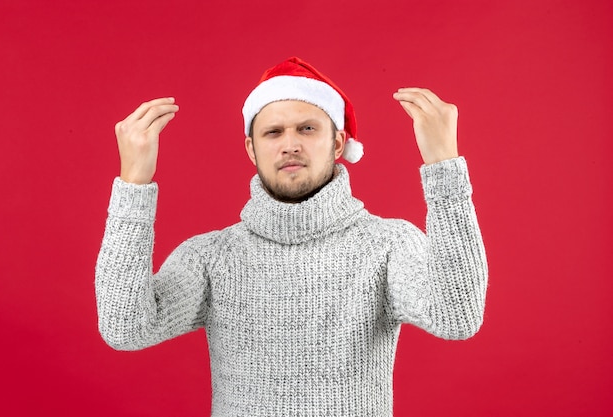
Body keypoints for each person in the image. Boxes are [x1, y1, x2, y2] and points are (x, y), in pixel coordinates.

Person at [95, 56, 488, 416]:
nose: (290, 144)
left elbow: (457, 316)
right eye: (273, 132)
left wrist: (444, 167)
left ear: (337, 143)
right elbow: (125, 328)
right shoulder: (212, 257)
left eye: (307, 128)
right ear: (252, 149)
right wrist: (133, 185)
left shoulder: (387, 245)